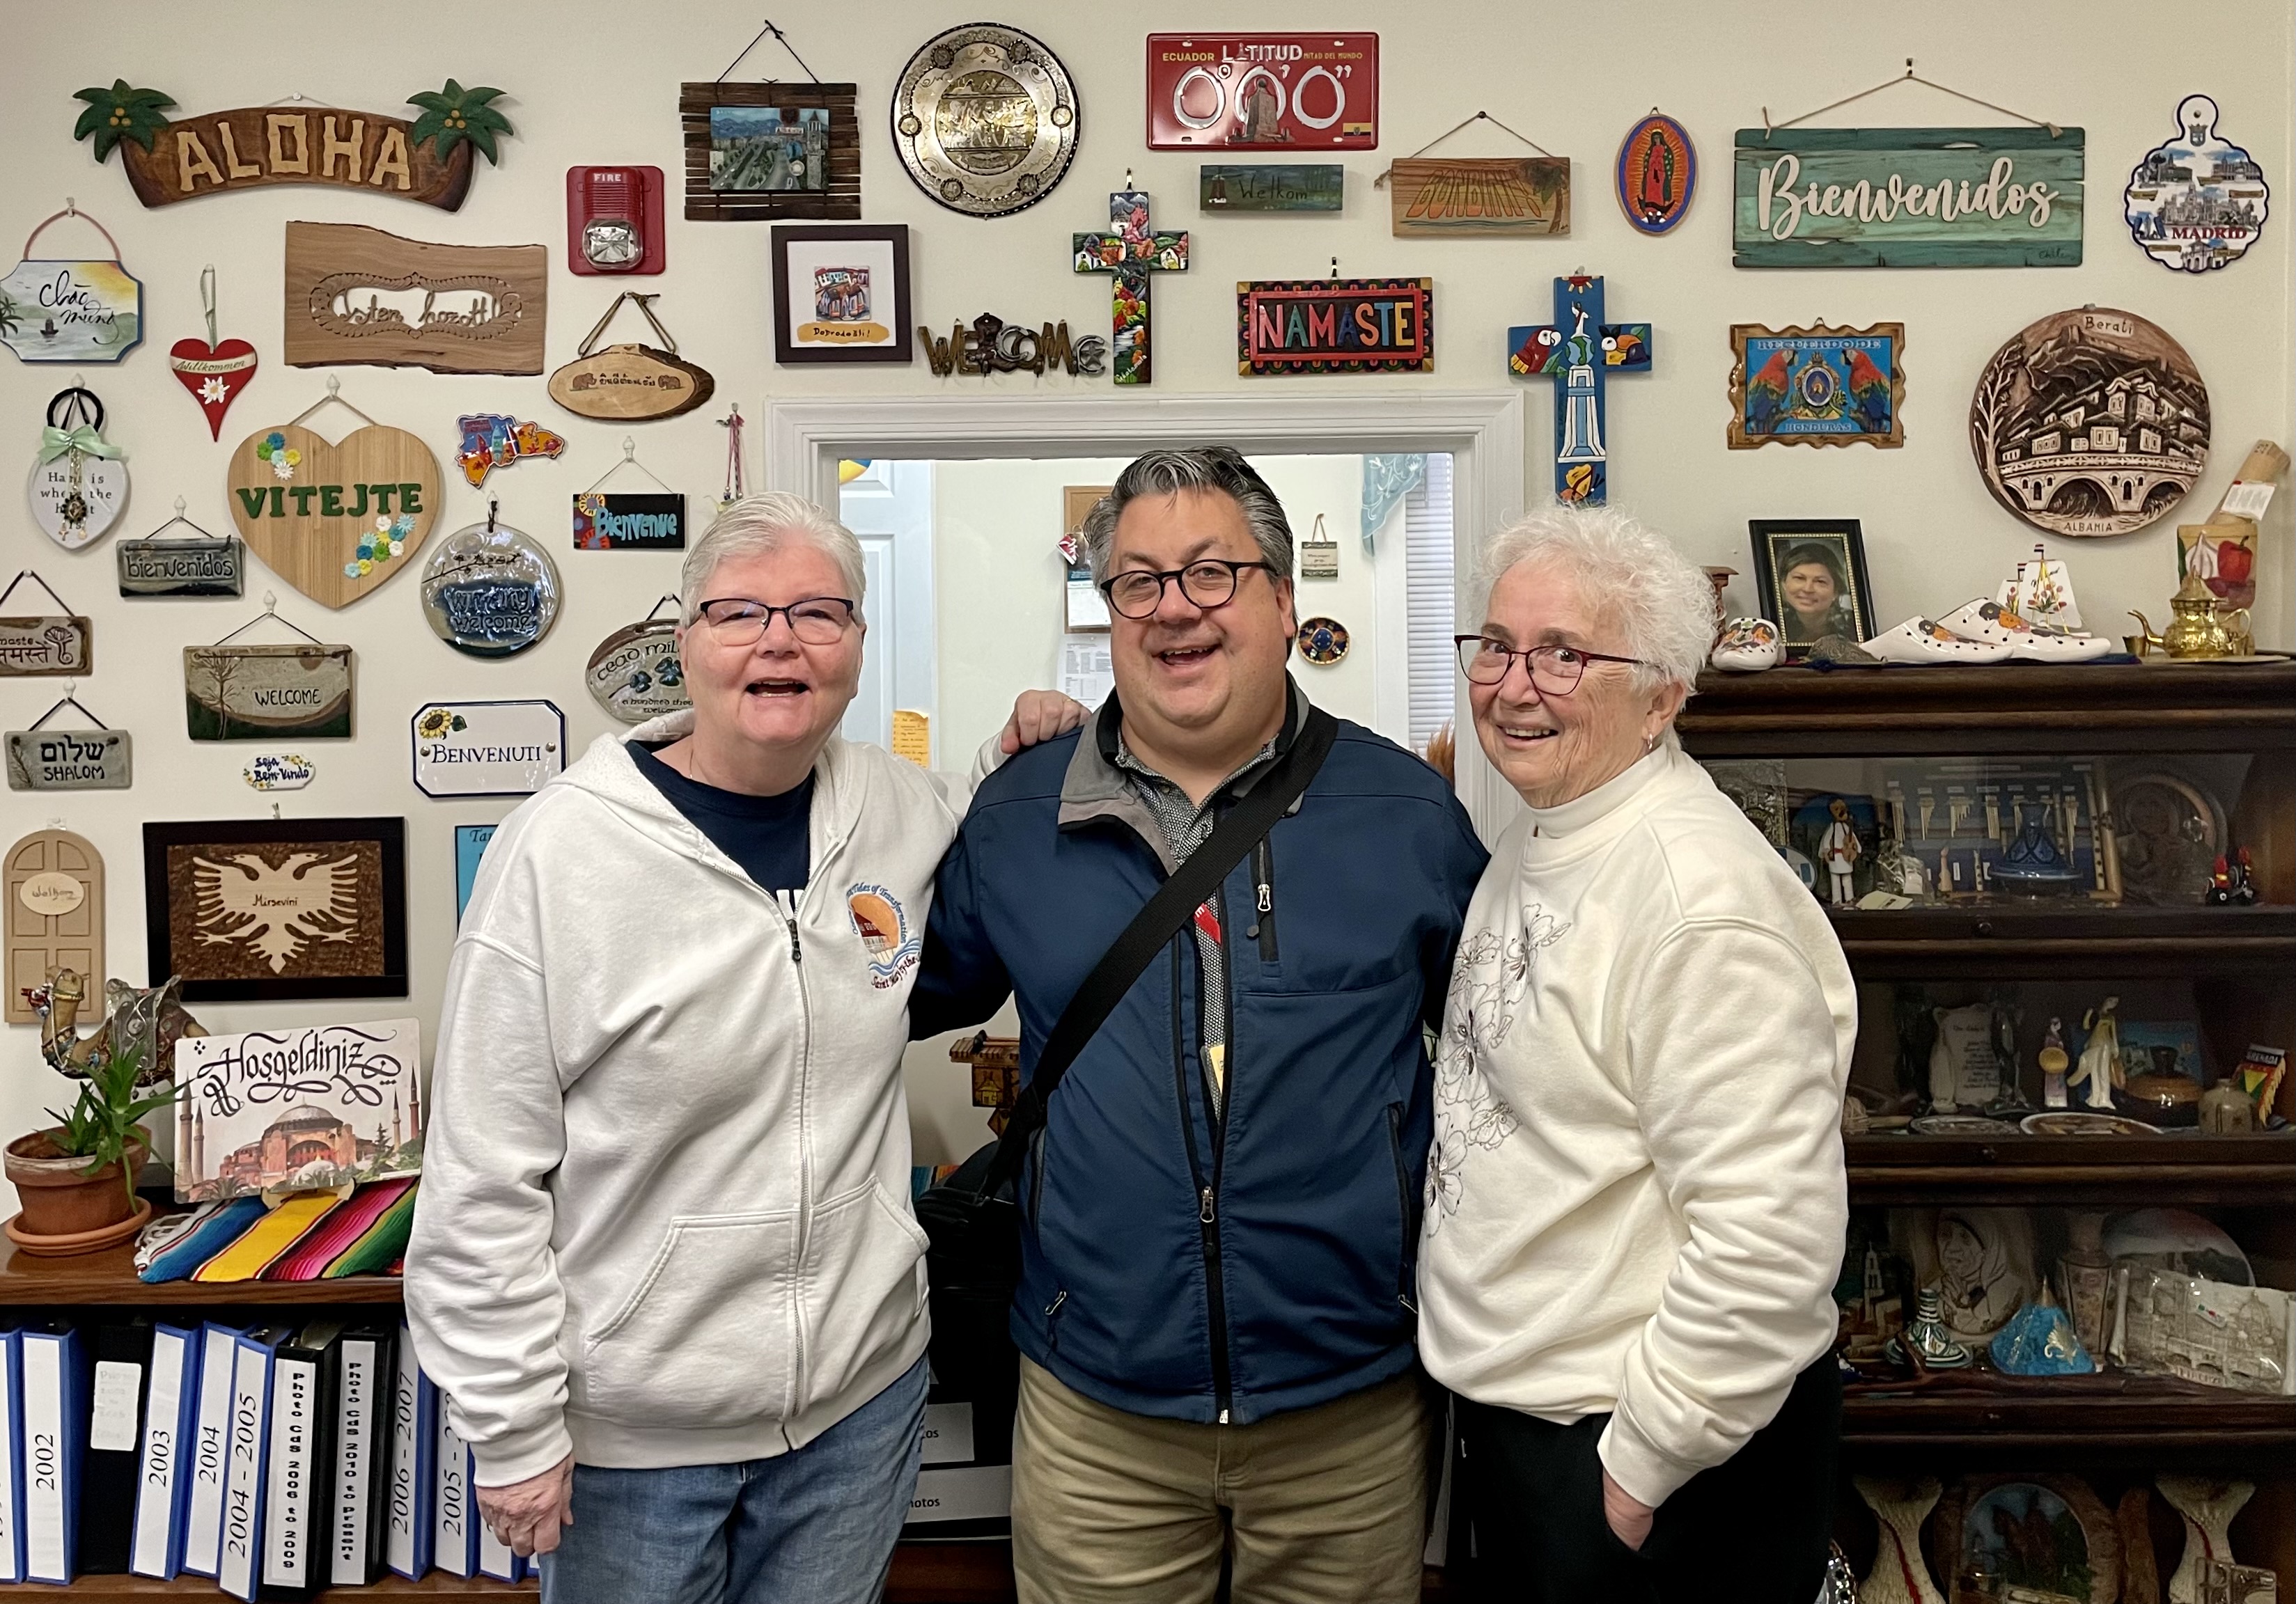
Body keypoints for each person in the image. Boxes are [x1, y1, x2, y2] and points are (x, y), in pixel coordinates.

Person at [405, 492, 1082, 1604]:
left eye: (818, 612)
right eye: (740, 613)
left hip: (859, 1412)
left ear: (858, 648)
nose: (780, 639)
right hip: (636, 1440)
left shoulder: (897, 807)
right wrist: (514, 1426)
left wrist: (1017, 744)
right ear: (687, 645)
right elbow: (482, 1174)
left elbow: (976, 834)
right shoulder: (560, 851)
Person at [911, 447, 1489, 1604]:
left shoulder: (1408, 813)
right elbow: (881, 996)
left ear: (1281, 600)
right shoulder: (1019, 814)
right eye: (1138, 580)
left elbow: (1508, 1060)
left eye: (1212, 573)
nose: (1173, 606)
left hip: (1348, 1405)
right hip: (1096, 1405)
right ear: (1109, 613)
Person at [1419, 505, 1857, 1603]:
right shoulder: (1554, 829)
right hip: (1538, 1430)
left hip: (1644, 1467)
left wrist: (1635, 1470)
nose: (1515, 686)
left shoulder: (1694, 902)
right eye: (1497, 646)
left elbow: (1768, 1245)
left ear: (1661, 695)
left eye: (1565, 654)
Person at [1776, 540, 1857, 643]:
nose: (1808, 589)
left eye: (1820, 581)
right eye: (1799, 578)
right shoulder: (1772, 624)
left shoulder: (1854, 626)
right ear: (1784, 583)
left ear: (1836, 591)